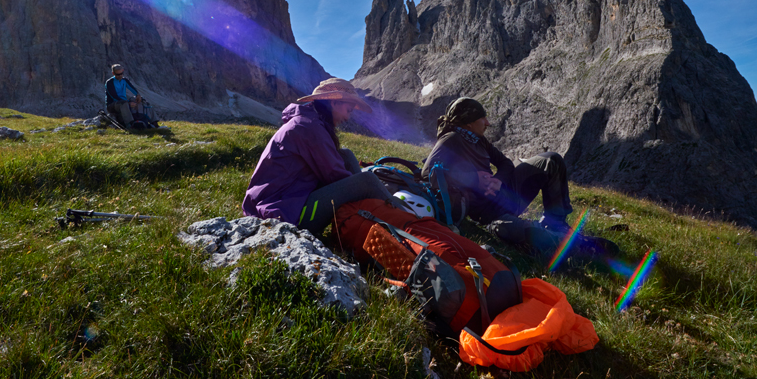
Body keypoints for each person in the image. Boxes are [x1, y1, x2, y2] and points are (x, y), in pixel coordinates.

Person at [422, 97, 614, 256]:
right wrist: (474, 179)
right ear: (469, 122)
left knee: (551, 161)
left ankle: (556, 223)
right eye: (482, 118)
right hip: (486, 211)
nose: (487, 123)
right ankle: (575, 247)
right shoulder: (452, 139)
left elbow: (505, 163)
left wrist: (498, 181)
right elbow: (428, 170)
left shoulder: (478, 139)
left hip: (502, 193)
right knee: (522, 231)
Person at [243, 78, 408, 236]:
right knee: (367, 181)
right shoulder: (309, 127)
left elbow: (334, 168)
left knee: (346, 155)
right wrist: (363, 188)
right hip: (282, 213)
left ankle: (367, 215)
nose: (348, 117)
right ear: (334, 102)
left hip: (287, 201)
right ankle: (408, 221)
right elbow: (335, 176)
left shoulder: (307, 121)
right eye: (348, 110)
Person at [105, 64, 148, 129]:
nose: (120, 76)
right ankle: (130, 124)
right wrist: (128, 103)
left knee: (141, 100)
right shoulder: (109, 82)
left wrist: (138, 95)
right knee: (124, 103)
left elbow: (132, 88)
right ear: (113, 73)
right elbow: (114, 96)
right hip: (112, 105)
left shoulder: (124, 80)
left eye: (121, 74)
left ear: (123, 71)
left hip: (123, 102)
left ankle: (152, 122)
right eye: (118, 74)